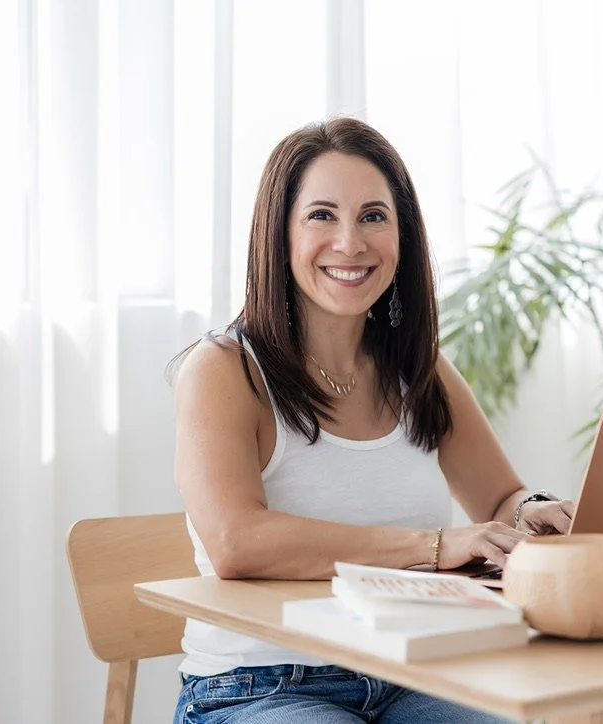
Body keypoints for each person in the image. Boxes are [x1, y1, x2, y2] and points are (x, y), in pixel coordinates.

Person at [169, 117, 576, 724]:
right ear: (278, 235)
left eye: (373, 216)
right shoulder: (224, 369)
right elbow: (236, 543)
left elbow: (499, 495)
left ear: (401, 235)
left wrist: (530, 509)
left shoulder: (420, 368)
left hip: (414, 671)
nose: (350, 243)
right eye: (322, 215)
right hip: (262, 684)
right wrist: (432, 548)